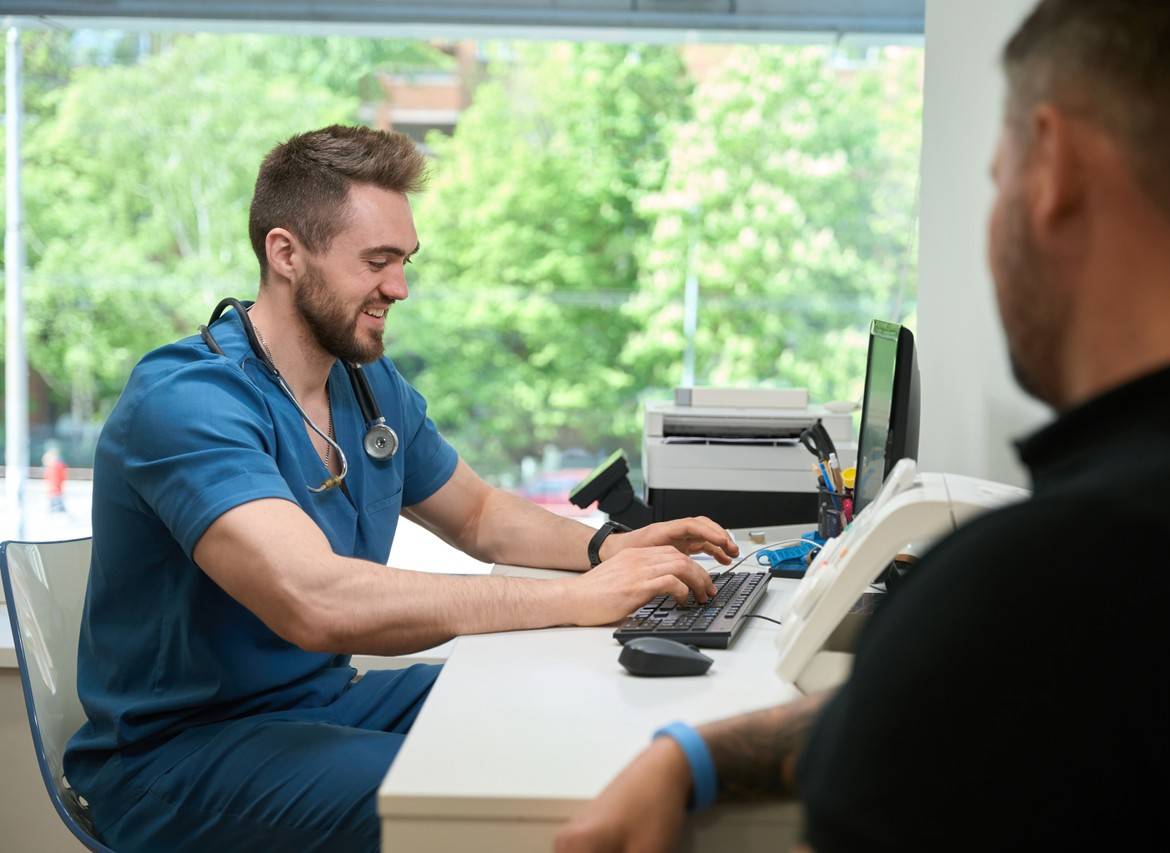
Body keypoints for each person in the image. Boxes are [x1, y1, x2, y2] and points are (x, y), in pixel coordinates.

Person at [556, 1, 1170, 850]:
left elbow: (986, 680)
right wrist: (695, 753)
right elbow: (992, 695)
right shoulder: (1126, 591)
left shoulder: (1074, 580)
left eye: (999, 174)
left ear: (1054, 169)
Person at [63, 124, 738, 852]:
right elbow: (313, 599)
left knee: (573, 714)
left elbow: (479, 513)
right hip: (178, 757)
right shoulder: (189, 399)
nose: (400, 287)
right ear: (285, 253)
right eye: (377, 261)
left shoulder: (362, 381)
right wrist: (574, 598)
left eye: (405, 260)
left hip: (320, 703)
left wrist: (608, 548)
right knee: (491, 802)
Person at [42, 442, 68, 513]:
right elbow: (63, 477)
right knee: (58, 508)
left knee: (55, 508)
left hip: (53, 491)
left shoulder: (50, 467)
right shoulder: (59, 466)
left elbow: (46, 479)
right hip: (56, 491)